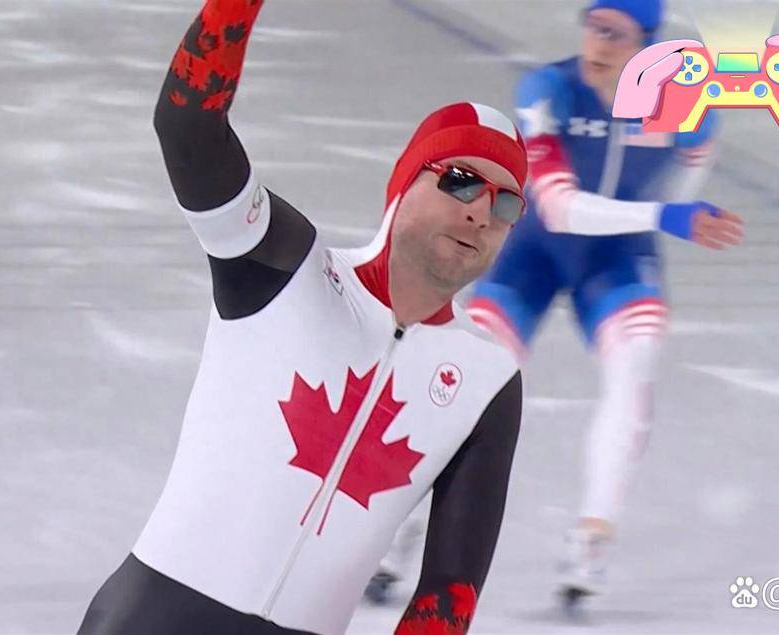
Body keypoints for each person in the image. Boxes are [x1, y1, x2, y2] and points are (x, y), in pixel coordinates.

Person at [77, 1, 534, 633]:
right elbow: (188, 127)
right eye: (460, 180)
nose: (481, 212)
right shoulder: (286, 264)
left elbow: (447, 595)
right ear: (404, 184)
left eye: (506, 203)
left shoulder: (487, 380)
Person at [369, 0, 745, 610]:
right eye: (593, 26)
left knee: (635, 366)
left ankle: (591, 539)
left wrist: (663, 215)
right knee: (468, 380)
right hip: (534, 253)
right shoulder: (550, 90)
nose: (598, 43)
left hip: (617, 258)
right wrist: (664, 216)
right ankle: (403, 529)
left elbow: (688, 173)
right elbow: (561, 207)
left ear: (648, 44)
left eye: (615, 33)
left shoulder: (688, 105)